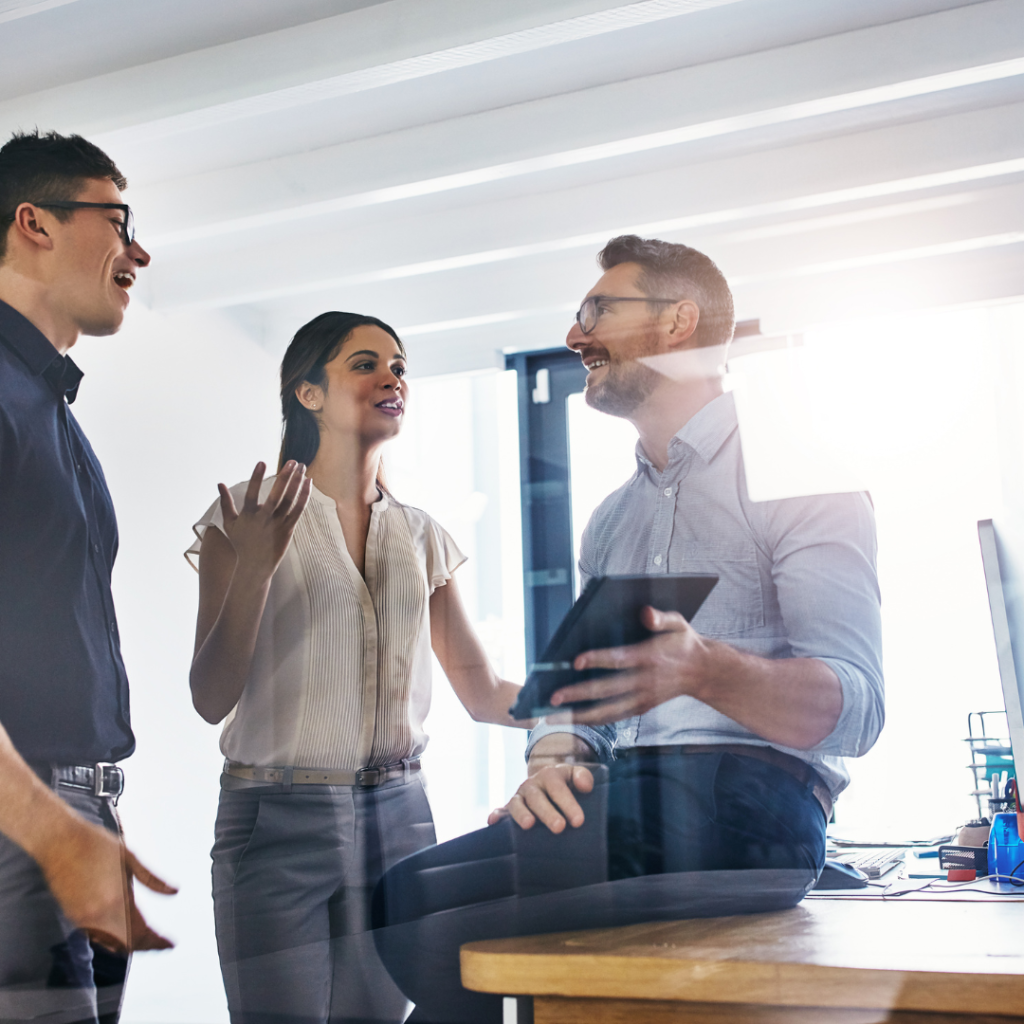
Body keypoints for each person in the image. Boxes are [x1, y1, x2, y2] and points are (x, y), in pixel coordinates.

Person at [372, 235, 884, 1023]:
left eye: (598, 311)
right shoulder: (613, 521)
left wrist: (708, 668)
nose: (576, 335)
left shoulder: (799, 468)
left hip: (754, 806)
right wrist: (554, 760)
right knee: (407, 900)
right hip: (638, 795)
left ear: (680, 322)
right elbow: (581, 700)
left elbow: (859, 709)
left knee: (422, 913)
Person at [186, 311, 529, 1024]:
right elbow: (210, 695)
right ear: (307, 393)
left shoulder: (421, 535)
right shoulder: (242, 517)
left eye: (400, 365)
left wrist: (600, 691)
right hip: (275, 820)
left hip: (400, 821)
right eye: (366, 363)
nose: (392, 377)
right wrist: (255, 566)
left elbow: (484, 692)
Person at [0, 130, 176, 1024]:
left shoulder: (50, 410)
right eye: (117, 220)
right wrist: (44, 827)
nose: (137, 251)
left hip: (73, 811)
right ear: (32, 222)